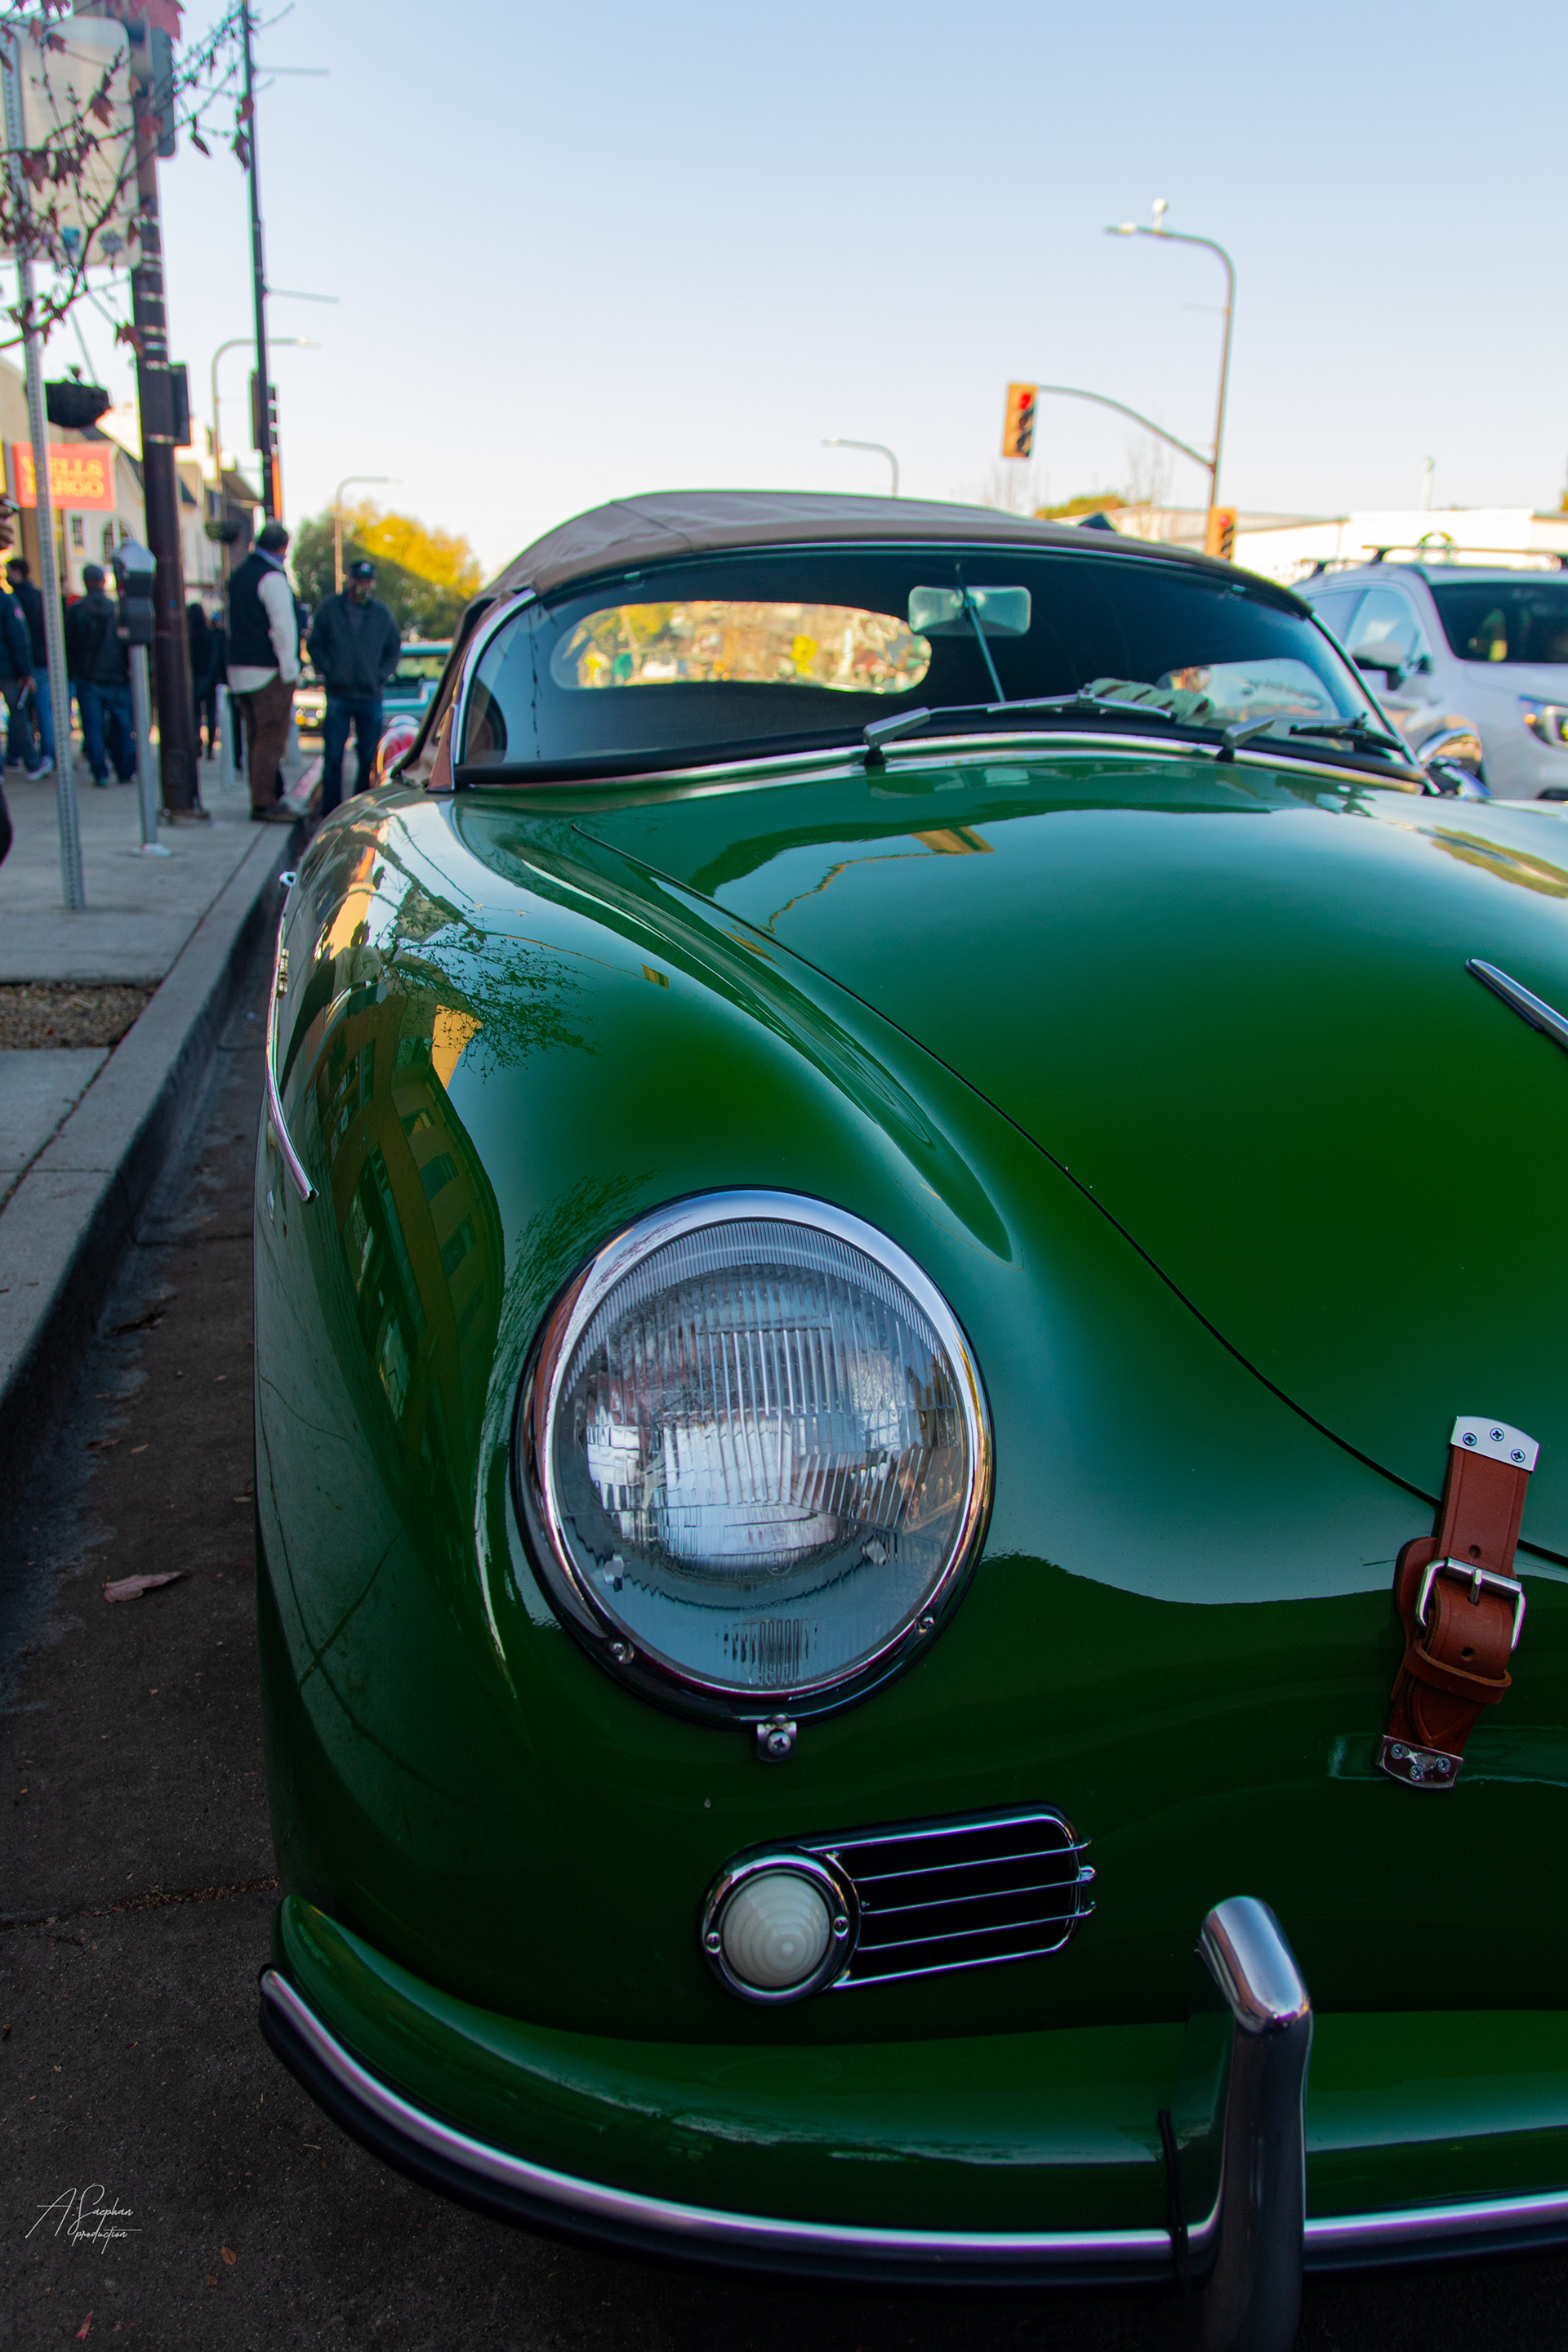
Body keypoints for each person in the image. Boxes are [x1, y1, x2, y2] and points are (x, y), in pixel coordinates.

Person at [307, 558, 401, 815]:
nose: (363, 586)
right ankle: (331, 810)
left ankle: (361, 808)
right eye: (359, 581)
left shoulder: (381, 614)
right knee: (334, 757)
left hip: (370, 694)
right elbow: (314, 644)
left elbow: (394, 648)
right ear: (350, 581)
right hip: (339, 692)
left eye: (368, 581)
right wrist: (331, 669)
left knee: (368, 756)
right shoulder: (330, 609)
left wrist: (380, 675)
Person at [226, 519, 299, 823]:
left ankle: (269, 793)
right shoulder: (272, 578)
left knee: (255, 735)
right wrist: (290, 667)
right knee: (271, 737)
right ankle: (265, 801)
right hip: (268, 669)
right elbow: (283, 627)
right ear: (284, 547)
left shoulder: (239, 575)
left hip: (240, 667)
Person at [65, 562, 136, 786]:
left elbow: (70, 645)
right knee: (123, 725)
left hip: (89, 676)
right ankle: (125, 769)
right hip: (116, 676)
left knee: (93, 727)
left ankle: (101, 771)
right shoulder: (115, 610)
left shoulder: (77, 610)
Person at [5, 556, 52, 773]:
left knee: (22, 713)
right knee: (32, 712)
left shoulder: (14, 600)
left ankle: (21, 757)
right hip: (31, 664)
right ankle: (41, 756)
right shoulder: (36, 598)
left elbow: (19, 638)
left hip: (21, 666)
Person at [0, 569, 40, 777]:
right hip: (8, 670)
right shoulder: (7, 602)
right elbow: (18, 638)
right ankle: (32, 762)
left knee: (17, 715)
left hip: (8, 668)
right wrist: (26, 672)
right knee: (18, 715)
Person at [188, 599, 220, 760]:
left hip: (193, 679)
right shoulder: (210, 635)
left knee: (195, 714)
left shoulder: (188, 637)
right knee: (211, 714)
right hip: (209, 679)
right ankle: (210, 748)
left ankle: (196, 740)